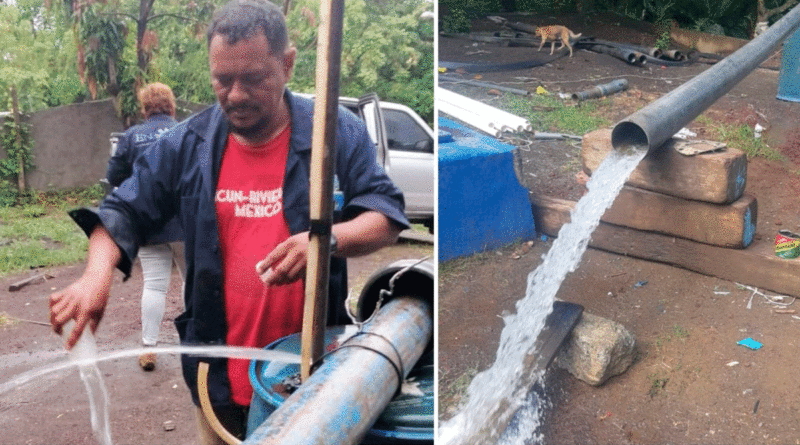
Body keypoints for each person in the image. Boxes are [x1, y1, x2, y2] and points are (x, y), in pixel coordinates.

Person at [49, 0, 408, 443]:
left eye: (253, 78)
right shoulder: (190, 143)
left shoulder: (332, 130)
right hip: (216, 378)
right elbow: (123, 207)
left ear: (288, 64)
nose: (235, 94)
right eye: (222, 79)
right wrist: (95, 273)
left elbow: (385, 213)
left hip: (311, 374)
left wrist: (325, 240)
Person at [105, 82, 182, 372]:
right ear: (171, 105)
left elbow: (114, 175)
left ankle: (149, 349)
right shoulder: (185, 131)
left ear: (144, 108)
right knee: (192, 284)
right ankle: (196, 347)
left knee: (154, 285)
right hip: (184, 223)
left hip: (148, 224)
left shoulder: (131, 136)